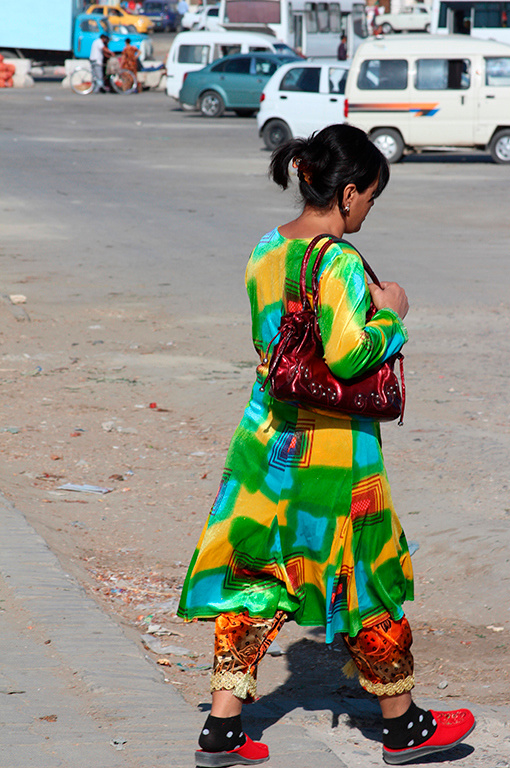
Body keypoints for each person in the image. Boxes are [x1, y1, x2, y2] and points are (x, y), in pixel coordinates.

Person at [177, 124, 476, 768]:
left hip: (266, 442)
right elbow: (347, 356)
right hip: (333, 451)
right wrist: (392, 315)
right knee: (363, 574)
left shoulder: (266, 249)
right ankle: (403, 727)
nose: (369, 209)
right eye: (370, 196)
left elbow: (272, 342)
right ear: (346, 193)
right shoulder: (336, 260)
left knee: (258, 577)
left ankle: (222, 729)